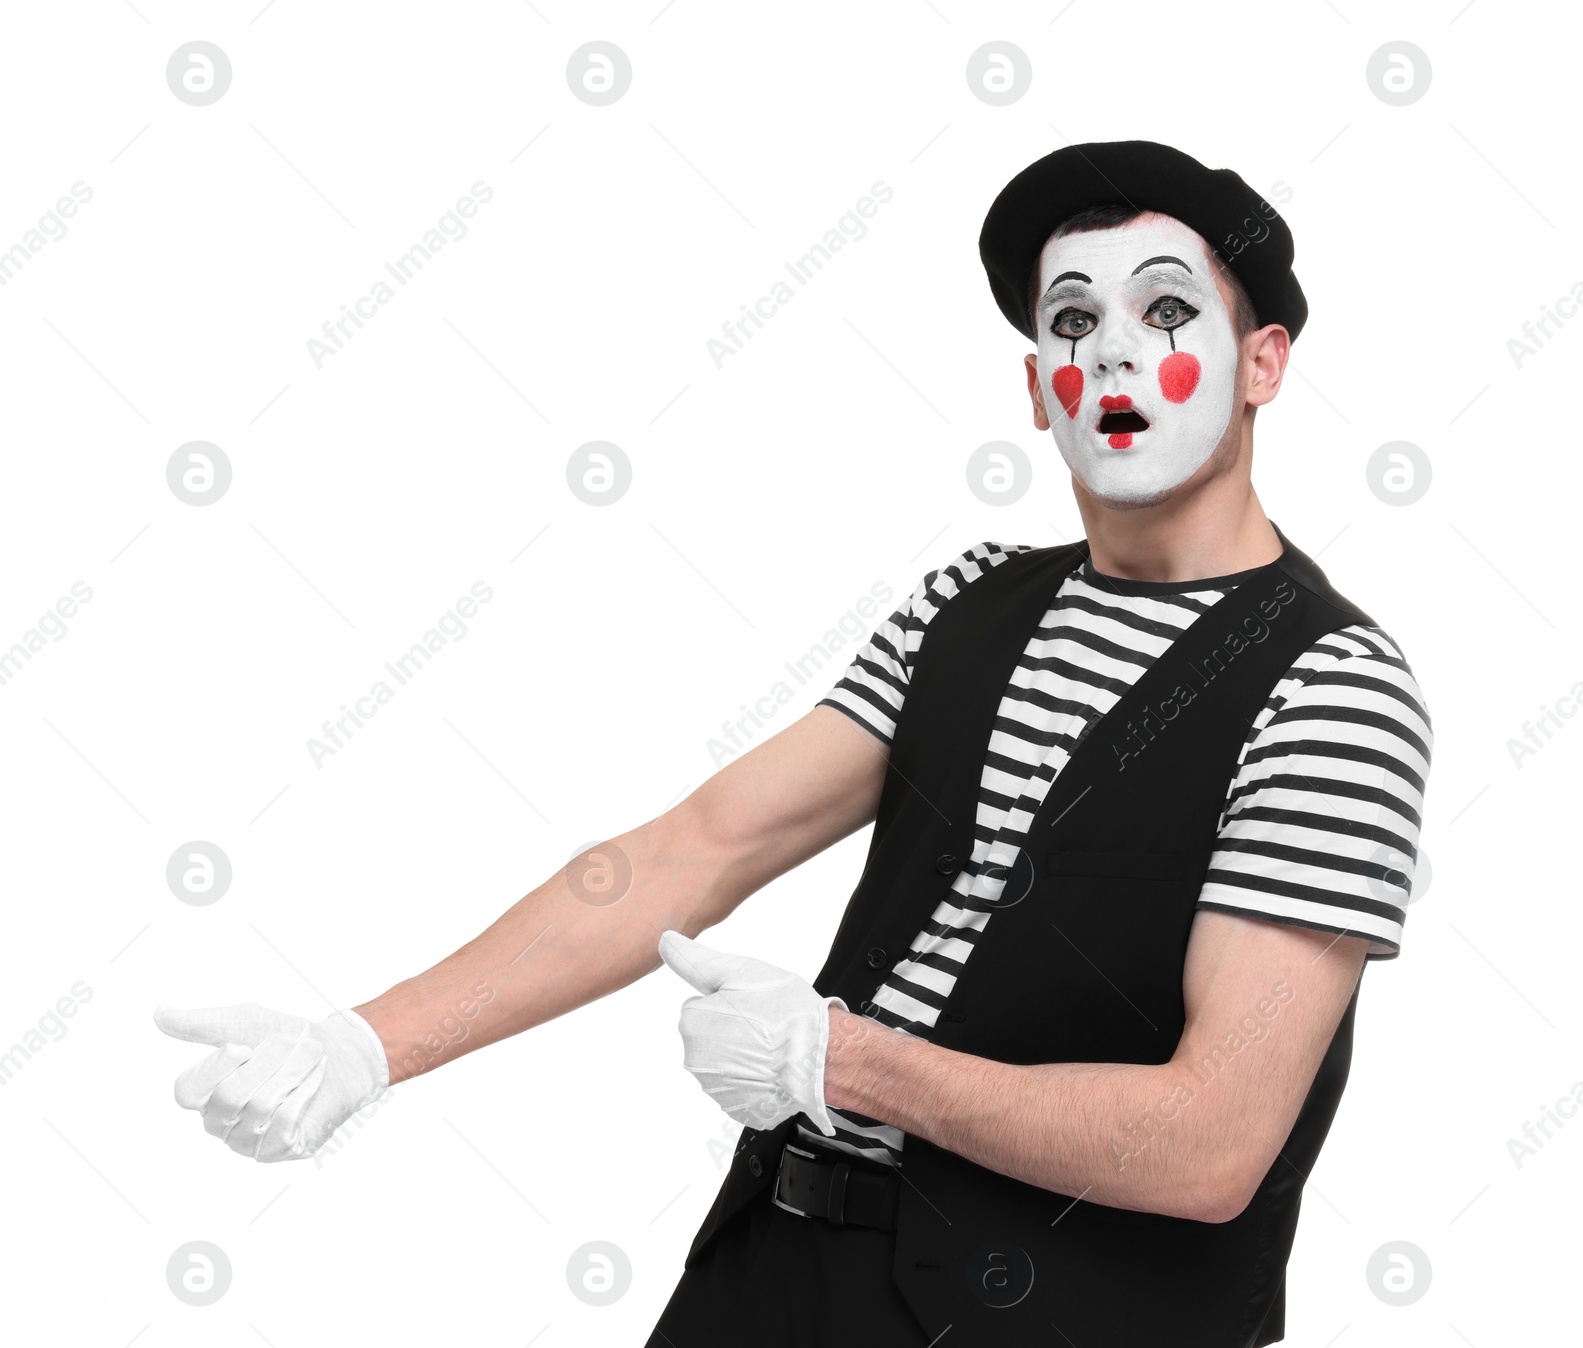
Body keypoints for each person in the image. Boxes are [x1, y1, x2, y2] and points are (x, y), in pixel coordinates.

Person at [155, 140, 1432, 1348]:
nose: (1108, 357)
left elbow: (1213, 1143)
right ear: (1033, 387)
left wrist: (847, 1060)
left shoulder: (1330, 686)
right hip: (776, 1270)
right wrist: (365, 1046)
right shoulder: (966, 600)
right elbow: (694, 847)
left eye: (1164, 314)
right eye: (1069, 321)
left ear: (1262, 362)